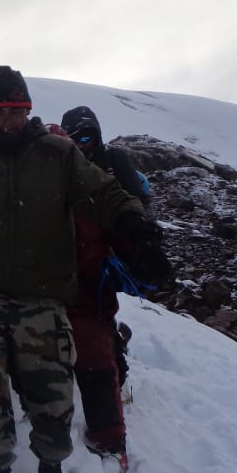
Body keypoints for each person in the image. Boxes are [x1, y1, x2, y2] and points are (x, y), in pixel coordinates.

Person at [0, 66, 170, 473]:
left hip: (44, 295)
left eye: (17, 110)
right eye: (0, 112)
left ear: (28, 109)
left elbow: (103, 194)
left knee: (52, 392)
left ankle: (51, 470)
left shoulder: (58, 156)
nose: (10, 120)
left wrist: (136, 229)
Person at [60, 105, 154, 391]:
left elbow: (134, 203)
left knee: (98, 309)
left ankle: (113, 367)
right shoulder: (63, 163)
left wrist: (134, 244)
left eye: (87, 138)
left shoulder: (114, 160)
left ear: (97, 136)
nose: (81, 145)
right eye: (74, 139)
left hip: (106, 251)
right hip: (74, 250)